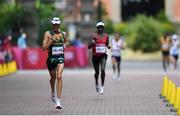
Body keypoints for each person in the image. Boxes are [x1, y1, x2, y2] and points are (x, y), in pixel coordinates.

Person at [42, 17, 69, 109]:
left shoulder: (63, 34)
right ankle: (53, 91)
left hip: (60, 57)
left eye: (57, 24)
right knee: (53, 78)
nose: (56, 26)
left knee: (59, 77)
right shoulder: (48, 34)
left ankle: (58, 101)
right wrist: (50, 41)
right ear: (52, 24)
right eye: (54, 24)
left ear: (59, 24)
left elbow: (67, 42)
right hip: (51, 59)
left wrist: (65, 45)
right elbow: (43, 48)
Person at [88, 21, 110, 95]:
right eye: (99, 27)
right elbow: (88, 47)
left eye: (102, 27)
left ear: (103, 28)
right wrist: (92, 43)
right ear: (97, 28)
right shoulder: (93, 35)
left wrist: (108, 46)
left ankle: (102, 87)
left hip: (103, 55)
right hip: (95, 57)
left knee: (103, 70)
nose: (100, 29)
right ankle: (97, 83)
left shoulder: (106, 36)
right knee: (97, 72)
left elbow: (107, 44)